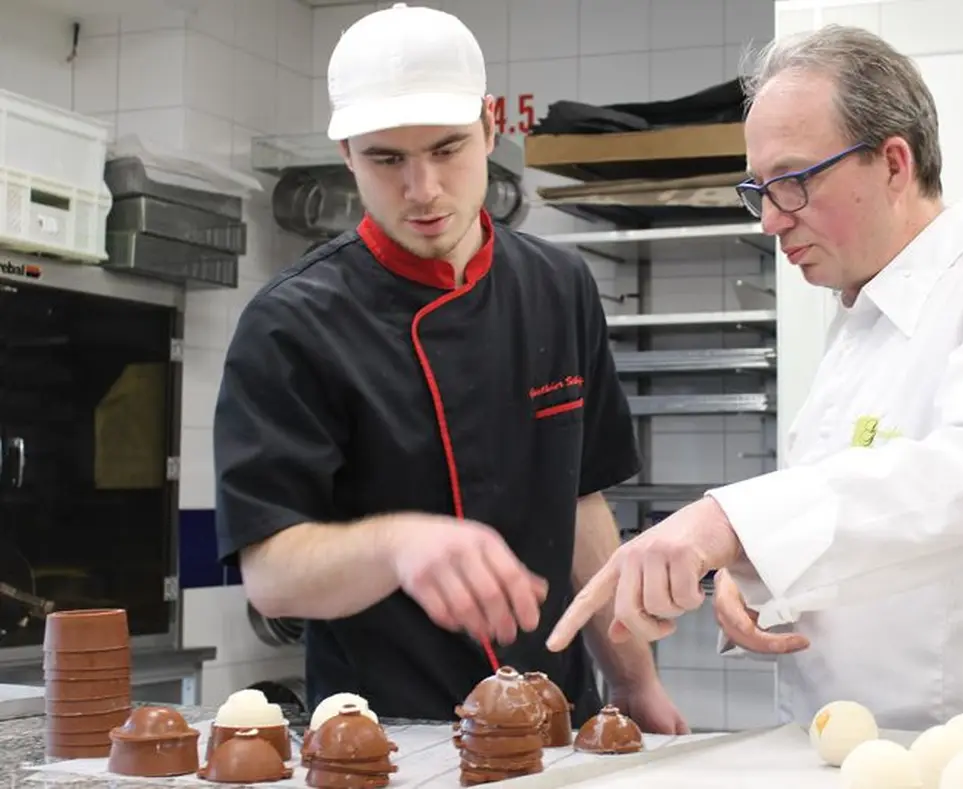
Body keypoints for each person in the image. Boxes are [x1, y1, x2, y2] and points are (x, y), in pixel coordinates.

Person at [547, 25, 963, 730]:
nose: (769, 220)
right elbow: (863, 533)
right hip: (852, 746)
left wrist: (733, 522)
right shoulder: (855, 328)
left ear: (892, 163)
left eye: (792, 182)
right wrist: (761, 586)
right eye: (757, 189)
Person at [212, 3, 687, 734]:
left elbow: (582, 503)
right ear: (345, 151)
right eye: (387, 159)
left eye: (447, 148)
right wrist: (401, 543)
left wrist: (634, 680)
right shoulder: (292, 322)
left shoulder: (559, 287)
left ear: (491, 128)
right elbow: (271, 576)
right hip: (386, 738)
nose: (424, 188)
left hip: (556, 722)